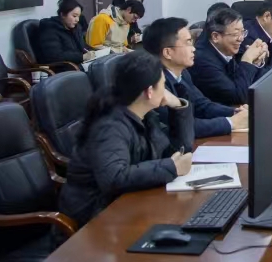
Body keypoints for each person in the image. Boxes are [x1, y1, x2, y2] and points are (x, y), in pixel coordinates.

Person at [59, 51, 193, 228]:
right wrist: (171, 167)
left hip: (126, 203)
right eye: (163, 84)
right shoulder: (109, 126)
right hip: (95, 218)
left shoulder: (143, 114)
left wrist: (178, 106)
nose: (166, 90)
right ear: (149, 92)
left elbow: (178, 149)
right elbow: (114, 178)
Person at [143, 17, 247, 140]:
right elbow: (182, 127)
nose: (193, 48)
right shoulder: (154, 83)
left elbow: (202, 105)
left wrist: (235, 112)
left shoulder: (183, 73)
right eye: (188, 43)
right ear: (167, 53)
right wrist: (231, 122)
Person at [190, 7, 263, 107]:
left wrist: (255, 61)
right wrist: (247, 60)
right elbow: (239, 97)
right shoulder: (202, 62)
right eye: (236, 34)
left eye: (242, 32)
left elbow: (243, 81)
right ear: (215, 36)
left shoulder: (224, 49)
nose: (241, 38)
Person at [35, 0, 89, 65]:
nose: (77, 20)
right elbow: (55, 56)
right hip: (64, 67)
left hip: (79, 64)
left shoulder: (76, 28)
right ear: (63, 15)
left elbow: (82, 48)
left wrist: (90, 53)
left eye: (79, 16)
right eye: (74, 16)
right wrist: (81, 57)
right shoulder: (50, 30)